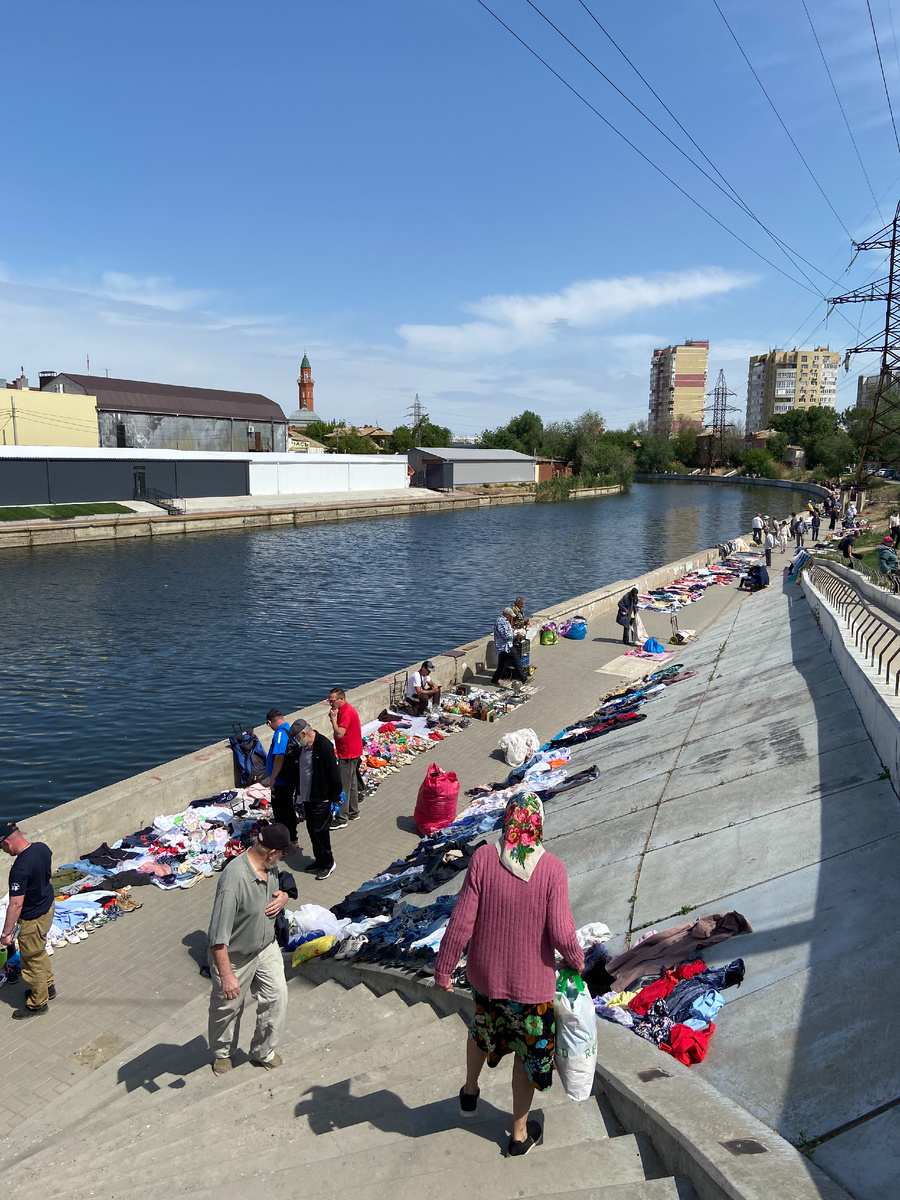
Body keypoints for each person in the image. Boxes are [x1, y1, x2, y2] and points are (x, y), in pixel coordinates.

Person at [434, 792, 584, 1157]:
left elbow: (462, 920)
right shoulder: (552, 869)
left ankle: (470, 1091)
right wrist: (578, 962)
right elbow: (563, 933)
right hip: (532, 990)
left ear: (507, 819)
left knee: (481, 1030)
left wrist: (444, 967)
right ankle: (519, 1134)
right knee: (525, 1055)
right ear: (539, 824)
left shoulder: (485, 858)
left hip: (487, 979)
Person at [207, 823, 292, 1075]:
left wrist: (284, 896)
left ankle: (263, 1051)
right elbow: (217, 938)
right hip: (234, 958)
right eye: (283, 854)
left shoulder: (270, 867)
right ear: (271, 852)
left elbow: (284, 882)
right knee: (228, 1008)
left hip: (266, 947)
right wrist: (227, 975)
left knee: (277, 996)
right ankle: (222, 1052)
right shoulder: (234, 882)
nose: (284, 859)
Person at [0, 822, 55, 1019]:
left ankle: (38, 1003)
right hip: (47, 907)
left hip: (32, 918)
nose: (4, 852)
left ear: (6, 842)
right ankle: (48, 986)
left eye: (2, 848)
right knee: (39, 951)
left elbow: (15, 904)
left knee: (31, 961)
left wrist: (6, 934)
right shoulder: (42, 848)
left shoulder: (19, 869)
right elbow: (48, 873)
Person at [288, 719, 340, 879]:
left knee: (320, 831)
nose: (297, 741)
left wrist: (336, 795)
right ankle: (319, 860)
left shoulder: (323, 746)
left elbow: (333, 771)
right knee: (312, 830)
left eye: (297, 737)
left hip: (321, 797)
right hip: (307, 797)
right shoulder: (304, 748)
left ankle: (328, 863)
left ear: (304, 733)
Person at [327, 687, 362, 830]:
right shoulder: (345, 710)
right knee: (352, 783)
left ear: (341, 699)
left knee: (343, 786)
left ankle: (342, 818)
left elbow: (340, 733)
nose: (330, 703)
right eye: (329, 700)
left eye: (332, 701)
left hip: (347, 754)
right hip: (353, 751)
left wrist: (333, 720)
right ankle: (354, 812)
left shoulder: (346, 713)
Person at [265, 708, 297, 844]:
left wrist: (272, 778)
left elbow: (279, 757)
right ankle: (292, 837)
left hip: (280, 781)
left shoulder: (279, 734)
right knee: (289, 807)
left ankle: (284, 840)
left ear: (269, 722)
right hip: (289, 778)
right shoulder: (290, 729)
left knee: (281, 811)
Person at [491, 609, 527, 687]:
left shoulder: (504, 621)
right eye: (510, 616)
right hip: (505, 646)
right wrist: (516, 634)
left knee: (503, 663)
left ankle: (494, 679)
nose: (511, 617)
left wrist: (515, 631)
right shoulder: (501, 622)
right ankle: (523, 679)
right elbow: (506, 635)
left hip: (506, 646)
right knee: (516, 660)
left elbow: (508, 631)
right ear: (506, 614)